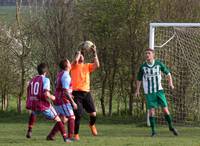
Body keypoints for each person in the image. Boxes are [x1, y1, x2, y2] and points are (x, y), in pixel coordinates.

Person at [135, 48, 178, 137]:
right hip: (149, 92)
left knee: (165, 110)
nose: (147, 55)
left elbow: (168, 73)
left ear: (153, 55)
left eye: (149, 53)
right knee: (151, 112)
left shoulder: (158, 64)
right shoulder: (143, 66)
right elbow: (139, 79)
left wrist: (171, 83)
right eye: (146, 53)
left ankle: (171, 127)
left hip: (159, 91)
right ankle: (154, 132)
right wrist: (137, 90)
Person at [26, 63, 69, 142]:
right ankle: (65, 138)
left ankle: (30, 130)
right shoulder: (46, 80)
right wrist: (53, 97)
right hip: (42, 104)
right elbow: (46, 94)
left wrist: (30, 99)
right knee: (58, 119)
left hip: (33, 102)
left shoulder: (32, 79)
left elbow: (28, 89)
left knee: (33, 113)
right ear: (46, 72)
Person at [70, 44, 100, 140]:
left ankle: (92, 125)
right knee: (78, 114)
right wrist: (78, 53)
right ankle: (76, 134)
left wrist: (94, 52)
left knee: (93, 114)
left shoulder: (87, 66)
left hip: (86, 93)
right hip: (76, 94)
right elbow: (75, 61)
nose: (81, 56)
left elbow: (97, 65)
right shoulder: (73, 66)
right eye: (79, 55)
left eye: (82, 55)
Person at [47, 59, 77, 141]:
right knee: (71, 117)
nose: (70, 63)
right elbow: (65, 92)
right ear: (67, 65)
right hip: (62, 101)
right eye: (68, 61)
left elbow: (62, 89)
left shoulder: (61, 74)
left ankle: (51, 136)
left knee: (63, 119)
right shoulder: (66, 76)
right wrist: (73, 102)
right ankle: (70, 137)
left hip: (58, 99)